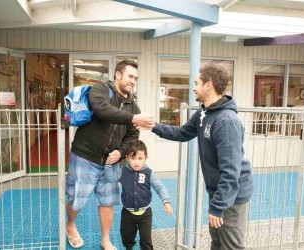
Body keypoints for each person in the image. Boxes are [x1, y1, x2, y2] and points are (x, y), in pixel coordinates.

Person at [144, 64, 254, 249]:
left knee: (231, 246)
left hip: (231, 198)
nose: (194, 87)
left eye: (196, 83)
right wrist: (153, 126)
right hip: (218, 193)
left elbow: (230, 170)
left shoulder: (226, 121)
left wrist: (218, 206)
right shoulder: (204, 112)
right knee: (217, 242)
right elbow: (181, 133)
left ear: (208, 84)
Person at [66, 60, 154, 249]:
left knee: (107, 202)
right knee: (77, 198)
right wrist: (133, 118)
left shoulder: (133, 107)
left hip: (111, 162)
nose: (133, 81)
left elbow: (132, 135)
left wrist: (121, 153)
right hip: (85, 156)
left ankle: (105, 240)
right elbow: (102, 110)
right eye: (130, 76)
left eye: (135, 78)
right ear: (118, 75)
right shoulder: (101, 89)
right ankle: (70, 225)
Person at [104, 140, 173, 250]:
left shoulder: (148, 173)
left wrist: (166, 201)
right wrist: (107, 165)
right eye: (133, 158)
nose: (136, 162)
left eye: (140, 159)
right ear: (127, 158)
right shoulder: (123, 171)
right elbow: (110, 178)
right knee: (127, 238)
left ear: (146, 158)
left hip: (145, 213)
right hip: (128, 213)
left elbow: (159, 187)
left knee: (146, 241)